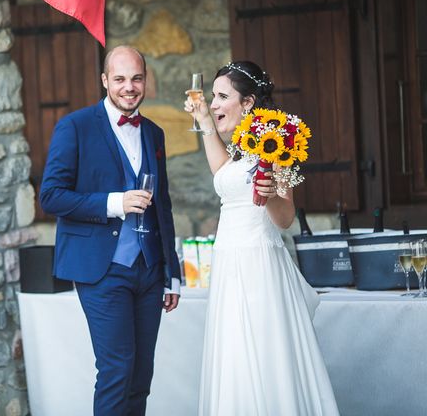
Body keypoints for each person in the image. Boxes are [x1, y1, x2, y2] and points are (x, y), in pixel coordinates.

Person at [185, 61, 339, 415]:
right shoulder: (240, 150)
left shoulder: (278, 141)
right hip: (228, 265)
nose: (215, 103)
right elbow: (224, 175)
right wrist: (206, 123)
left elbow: (286, 218)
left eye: (222, 96)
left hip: (258, 268)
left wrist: (269, 194)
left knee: (266, 358)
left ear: (249, 103)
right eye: (213, 96)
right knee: (234, 357)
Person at [40, 45, 181, 416]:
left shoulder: (154, 133)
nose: (128, 87)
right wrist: (114, 203)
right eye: (119, 78)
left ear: (145, 80)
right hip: (101, 268)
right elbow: (51, 196)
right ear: (104, 81)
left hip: (149, 271)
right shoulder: (75, 126)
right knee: (117, 370)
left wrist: (172, 272)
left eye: (136, 78)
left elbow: (162, 205)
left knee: (140, 375)